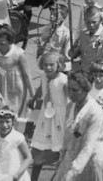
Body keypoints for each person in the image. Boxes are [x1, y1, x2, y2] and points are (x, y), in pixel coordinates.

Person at [54, 70, 103, 180]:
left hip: (93, 162)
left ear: (86, 90)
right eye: (68, 89)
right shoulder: (69, 107)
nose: (70, 93)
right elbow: (67, 136)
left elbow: (88, 146)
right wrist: (62, 158)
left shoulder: (95, 112)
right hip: (71, 157)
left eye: (75, 90)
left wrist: (72, 172)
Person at [28, 51, 68, 180]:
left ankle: (59, 177)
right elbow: (42, 87)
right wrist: (34, 98)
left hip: (60, 117)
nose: (48, 68)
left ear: (59, 65)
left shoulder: (63, 80)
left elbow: (71, 100)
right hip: (45, 116)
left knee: (60, 149)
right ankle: (33, 179)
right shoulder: (44, 76)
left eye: (52, 65)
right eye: (45, 65)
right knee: (39, 149)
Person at [0, 26, 33, 117]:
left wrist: (33, 96)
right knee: (4, 112)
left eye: (2, 44)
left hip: (17, 89)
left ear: (10, 42)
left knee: (18, 112)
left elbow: (27, 75)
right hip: (1, 87)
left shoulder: (18, 53)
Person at [0, 109, 33, 180]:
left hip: (15, 174)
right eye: (1, 122)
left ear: (13, 122)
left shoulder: (18, 137)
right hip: (0, 174)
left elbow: (28, 158)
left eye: (8, 122)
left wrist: (17, 174)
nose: (4, 125)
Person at [71, 7, 103, 75]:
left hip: (100, 74)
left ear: (101, 21)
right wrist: (74, 51)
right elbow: (79, 51)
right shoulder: (82, 34)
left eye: (94, 22)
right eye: (88, 22)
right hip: (85, 72)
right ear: (84, 21)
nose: (91, 25)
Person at [37, 4, 71, 69]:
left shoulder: (66, 33)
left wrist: (52, 59)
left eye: (55, 15)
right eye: (51, 14)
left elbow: (67, 56)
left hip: (61, 68)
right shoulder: (47, 29)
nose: (52, 17)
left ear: (63, 18)